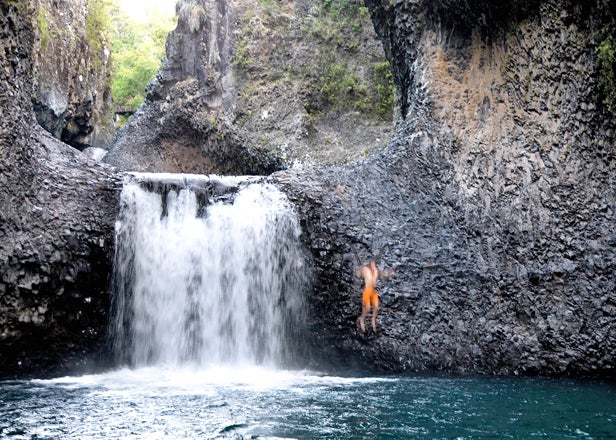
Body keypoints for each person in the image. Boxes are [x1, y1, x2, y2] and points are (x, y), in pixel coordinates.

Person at [355, 260, 394, 333]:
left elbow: (382, 275)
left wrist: (389, 275)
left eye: (374, 264)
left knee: (376, 307)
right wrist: (358, 272)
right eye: (372, 264)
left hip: (373, 291)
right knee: (367, 309)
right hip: (367, 290)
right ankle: (362, 319)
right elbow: (359, 273)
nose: (373, 265)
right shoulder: (365, 270)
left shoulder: (376, 271)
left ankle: (373, 320)